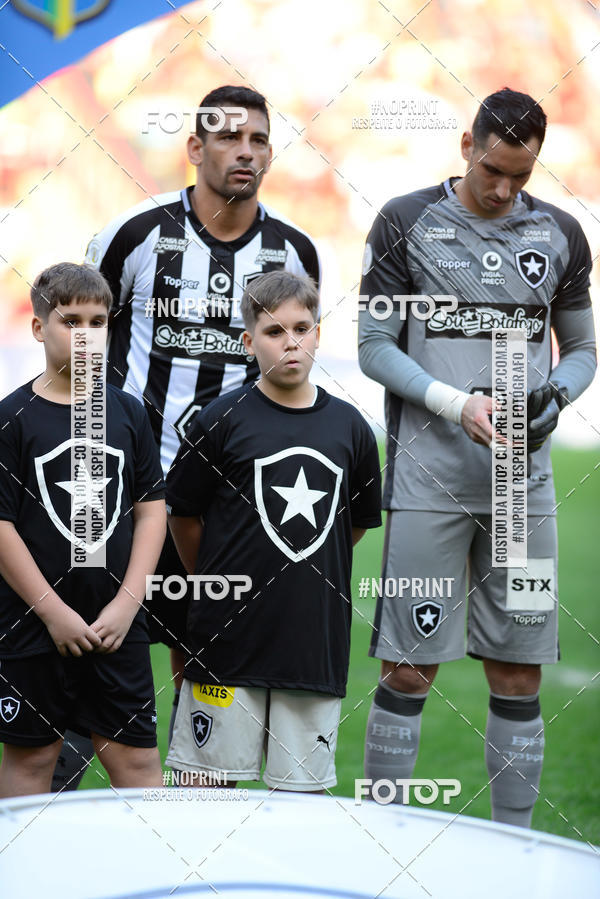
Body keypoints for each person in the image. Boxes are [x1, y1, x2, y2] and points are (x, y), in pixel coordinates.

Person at [52, 84, 321, 790]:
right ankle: (50, 826)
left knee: (206, 663)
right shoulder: (134, 235)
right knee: (93, 651)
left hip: (230, 502)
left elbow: (292, 380)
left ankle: (192, 831)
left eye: (259, 139)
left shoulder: (292, 252)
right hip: (122, 493)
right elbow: (81, 350)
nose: (246, 151)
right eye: (229, 137)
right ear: (195, 147)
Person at [358, 88, 596, 827]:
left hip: (520, 491)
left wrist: (555, 392)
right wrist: (454, 403)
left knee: (519, 670)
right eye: (493, 168)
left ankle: (513, 848)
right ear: (467, 143)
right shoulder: (406, 221)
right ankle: (385, 831)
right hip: (428, 482)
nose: (502, 189)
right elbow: (372, 348)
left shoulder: (560, 234)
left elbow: (583, 349)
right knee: (408, 665)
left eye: (520, 177)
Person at [164, 270, 381, 791]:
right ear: (248, 341)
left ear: (319, 335)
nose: (291, 343)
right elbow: (183, 518)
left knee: (300, 807)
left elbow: (349, 528)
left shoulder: (351, 427)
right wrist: (219, 577)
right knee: (204, 793)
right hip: (226, 639)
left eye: (302, 329)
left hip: (312, 645)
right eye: (274, 331)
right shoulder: (219, 419)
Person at [0, 263, 166, 796]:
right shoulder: (13, 418)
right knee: (31, 764)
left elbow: (151, 509)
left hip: (117, 625)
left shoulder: (127, 413)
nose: (86, 334)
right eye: (70, 321)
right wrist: (52, 613)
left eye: (98, 322)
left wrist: (127, 604)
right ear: (38, 327)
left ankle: (155, 880)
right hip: (31, 627)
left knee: (138, 768)